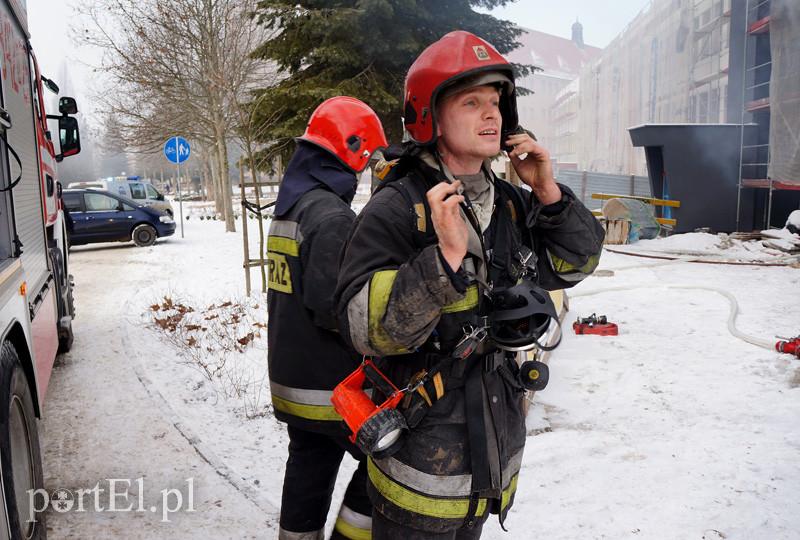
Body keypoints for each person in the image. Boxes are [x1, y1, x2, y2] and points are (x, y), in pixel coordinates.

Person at [334, 31, 605, 539]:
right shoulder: (398, 208)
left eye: (497, 102)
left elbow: (576, 262)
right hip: (420, 468)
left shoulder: (510, 202)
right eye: (471, 102)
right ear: (430, 117)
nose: (492, 115)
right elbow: (363, 329)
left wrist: (547, 193)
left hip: (490, 456)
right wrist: (445, 260)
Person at [267, 96, 388, 540]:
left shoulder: (294, 205)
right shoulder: (330, 215)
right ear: (352, 149)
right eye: (367, 158)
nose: (365, 171)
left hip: (292, 379)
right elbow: (335, 310)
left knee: (309, 467)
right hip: (329, 389)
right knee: (387, 463)